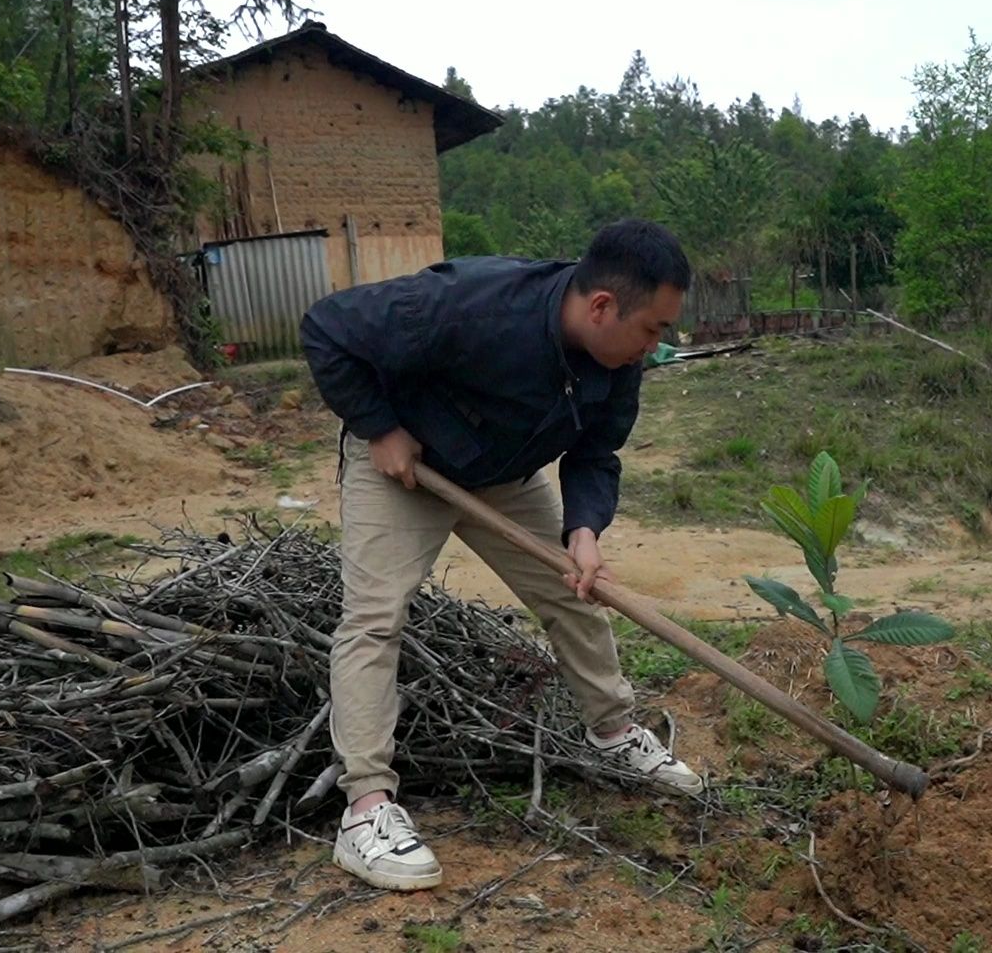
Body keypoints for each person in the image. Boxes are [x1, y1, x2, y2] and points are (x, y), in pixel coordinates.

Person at [300, 218, 703, 891]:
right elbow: (326, 328)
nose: (655, 346)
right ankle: (367, 810)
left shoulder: (618, 359)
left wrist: (583, 532)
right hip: (407, 464)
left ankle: (613, 732)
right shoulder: (469, 306)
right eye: (653, 329)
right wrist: (381, 428)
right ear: (602, 306)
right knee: (374, 618)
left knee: (576, 591)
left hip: (505, 475)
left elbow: (595, 453)